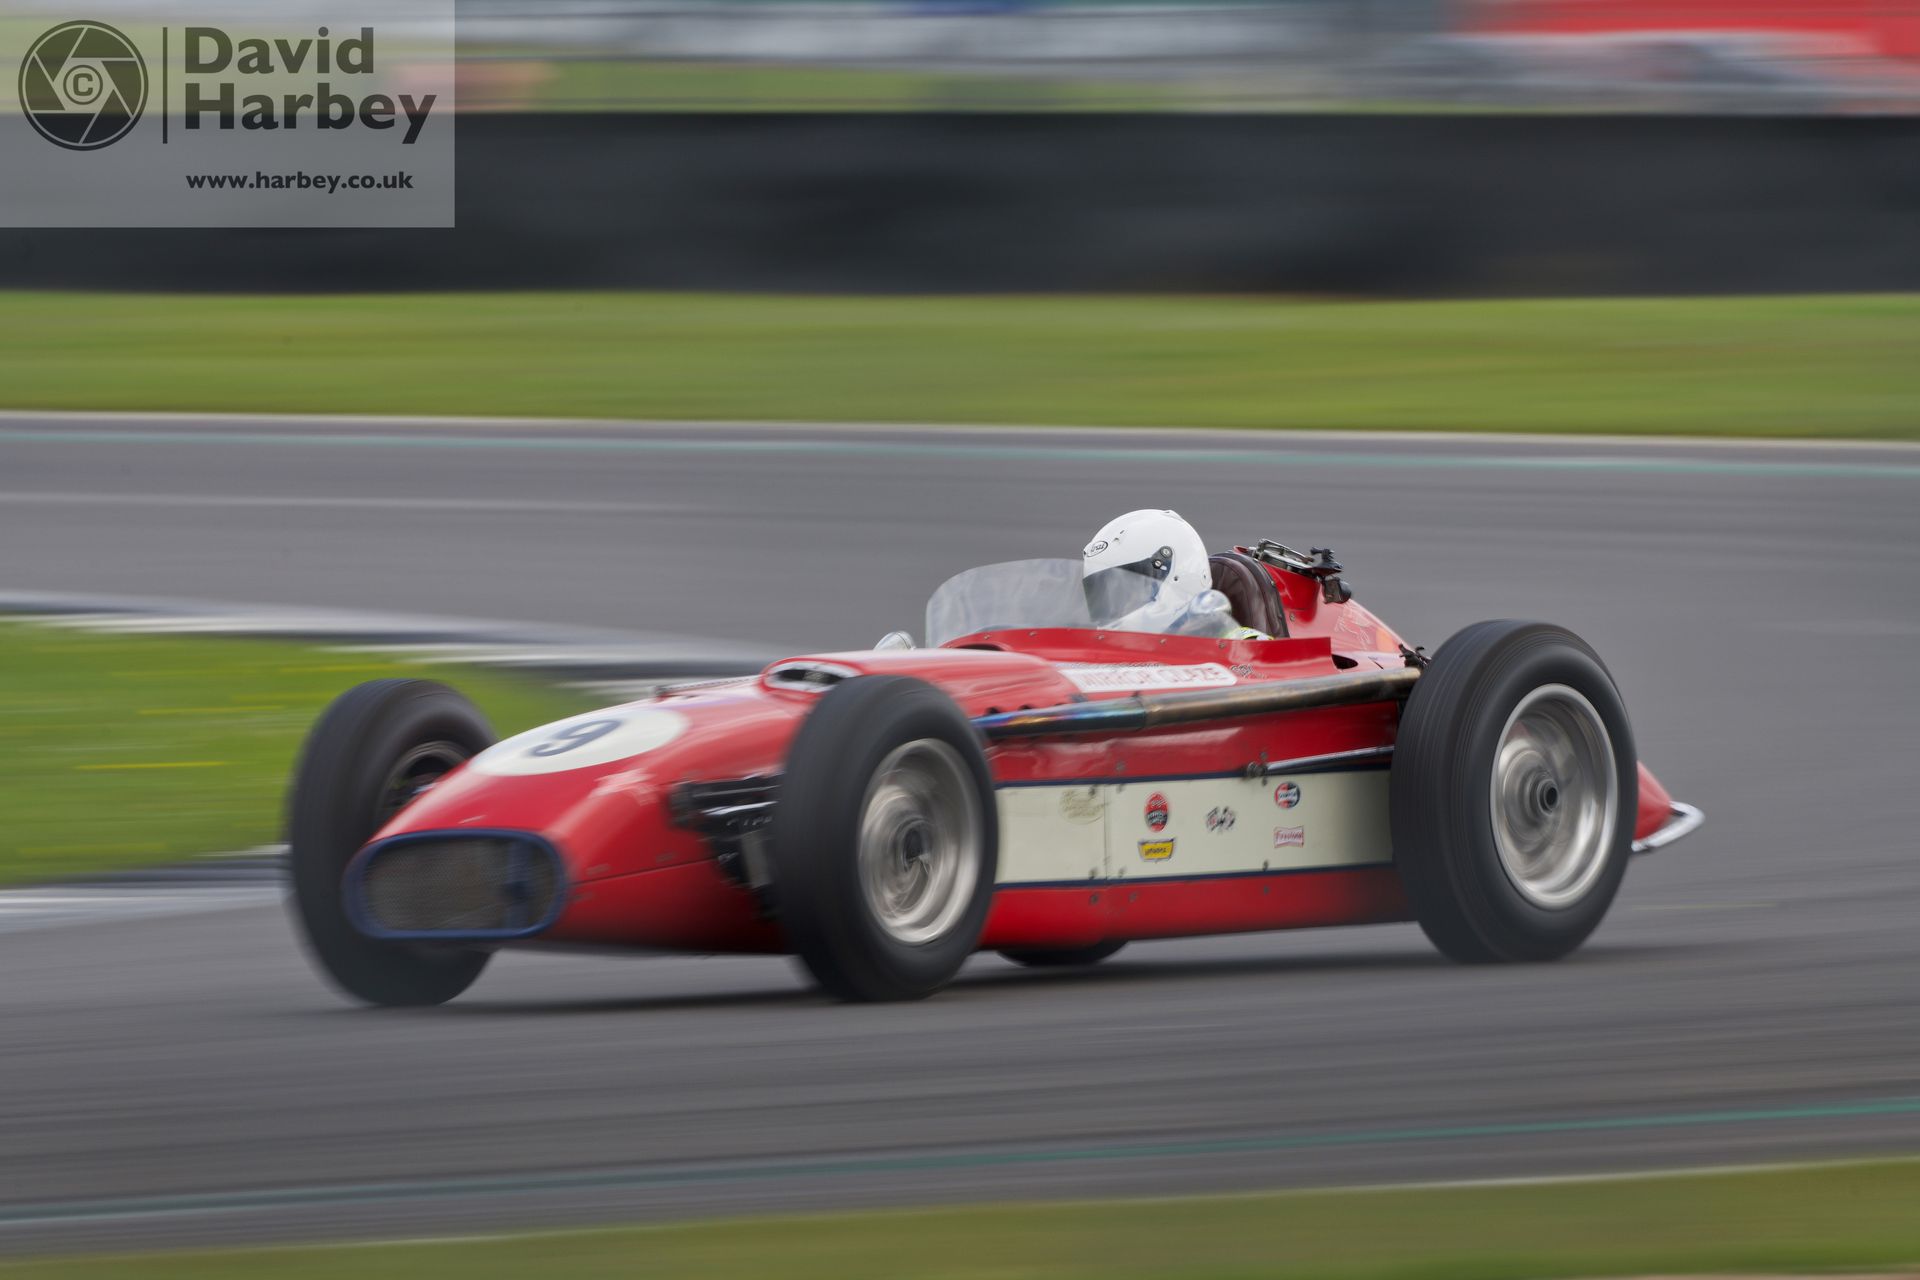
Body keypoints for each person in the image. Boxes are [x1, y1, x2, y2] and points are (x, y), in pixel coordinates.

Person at [1080, 509, 1268, 639]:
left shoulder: (1243, 646)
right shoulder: (1098, 659)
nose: (1113, 606)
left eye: (1126, 590)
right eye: (1103, 594)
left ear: (1175, 575)